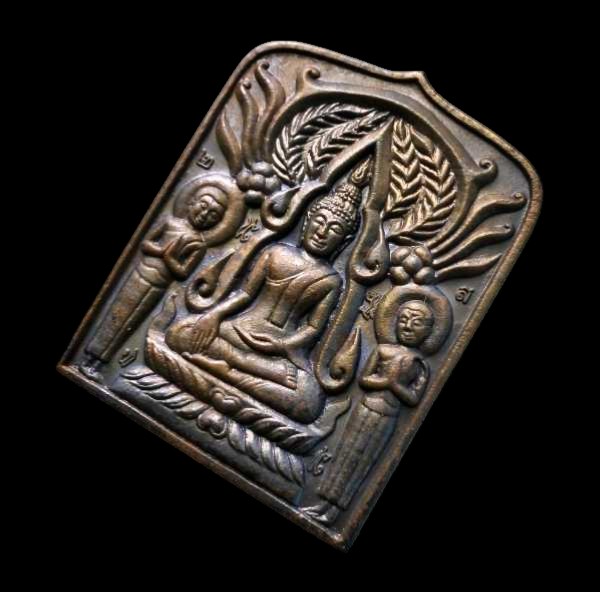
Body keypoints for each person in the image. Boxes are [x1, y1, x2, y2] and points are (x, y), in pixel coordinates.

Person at [166, 160, 372, 424]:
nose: (322, 232)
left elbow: (313, 328)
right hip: (239, 331)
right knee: (180, 333)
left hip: (279, 349)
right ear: (307, 221)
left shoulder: (331, 280)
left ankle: (221, 367)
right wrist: (214, 316)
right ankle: (239, 370)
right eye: (319, 221)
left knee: (309, 400)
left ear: (344, 241)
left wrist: (283, 345)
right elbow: (244, 295)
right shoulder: (275, 252)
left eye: (334, 229)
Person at [80, 182, 229, 382]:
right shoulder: (169, 223)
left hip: (158, 286)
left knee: (130, 324)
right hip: (140, 275)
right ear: (192, 202)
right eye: (203, 206)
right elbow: (145, 243)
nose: (204, 215)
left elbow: (183, 273)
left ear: (217, 223)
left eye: (213, 215)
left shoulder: (198, 244)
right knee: (115, 317)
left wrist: (170, 259)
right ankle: (87, 358)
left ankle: (98, 364)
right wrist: (161, 251)